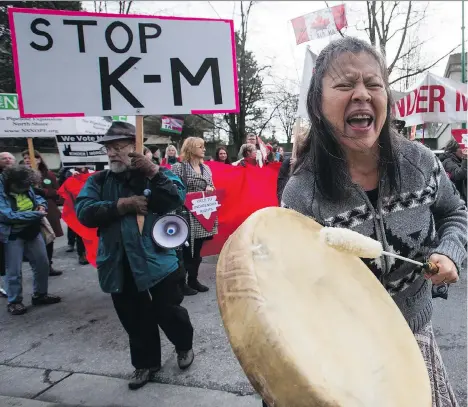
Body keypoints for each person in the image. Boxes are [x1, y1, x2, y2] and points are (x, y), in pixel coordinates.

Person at [277, 37, 466, 407]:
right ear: (317, 103)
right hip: (349, 351)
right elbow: (295, 287)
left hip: (416, 335)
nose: (362, 94)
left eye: (373, 84)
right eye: (345, 84)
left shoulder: (422, 162)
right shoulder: (301, 194)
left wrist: (449, 252)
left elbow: (454, 211)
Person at [76, 122, 194, 390]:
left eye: (119, 147)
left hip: (158, 261)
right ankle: (146, 364)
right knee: (134, 317)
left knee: (169, 311)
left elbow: (176, 198)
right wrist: (120, 206)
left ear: (134, 147)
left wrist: (152, 171)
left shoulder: (155, 175)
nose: (113, 153)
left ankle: (184, 345)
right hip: (119, 264)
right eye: (109, 148)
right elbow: (84, 211)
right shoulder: (97, 181)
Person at [0, 165, 61, 315]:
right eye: (23, 187)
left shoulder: (25, 185)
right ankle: (14, 302)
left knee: (42, 263)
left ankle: (40, 294)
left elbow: (38, 196)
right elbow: (6, 216)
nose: (26, 189)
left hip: (32, 231)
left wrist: (40, 205)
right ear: (12, 183)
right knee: (13, 270)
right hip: (12, 235)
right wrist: (35, 215)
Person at [171, 137, 217, 294]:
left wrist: (211, 188)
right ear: (190, 148)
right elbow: (173, 191)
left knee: (197, 250)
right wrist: (193, 194)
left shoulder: (206, 168)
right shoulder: (178, 168)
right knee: (184, 250)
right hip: (185, 213)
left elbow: (211, 184)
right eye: (200, 146)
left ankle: (193, 279)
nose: (204, 149)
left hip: (202, 213)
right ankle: (181, 283)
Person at [22, 150, 63, 276]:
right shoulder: (20, 175)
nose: (28, 160)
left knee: (48, 239)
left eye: (31, 158)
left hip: (48, 210)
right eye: (25, 158)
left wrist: (42, 191)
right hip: (27, 210)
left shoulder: (48, 175)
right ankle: (36, 265)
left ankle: (48, 265)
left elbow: (57, 192)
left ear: (39, 159)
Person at [0, 152, 15, 298]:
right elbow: (6, 213)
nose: (7, 160)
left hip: (19, 227)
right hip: (5, 225)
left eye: (10, 157)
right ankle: (13, 298)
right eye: (4, 158)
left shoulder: (19, 176)